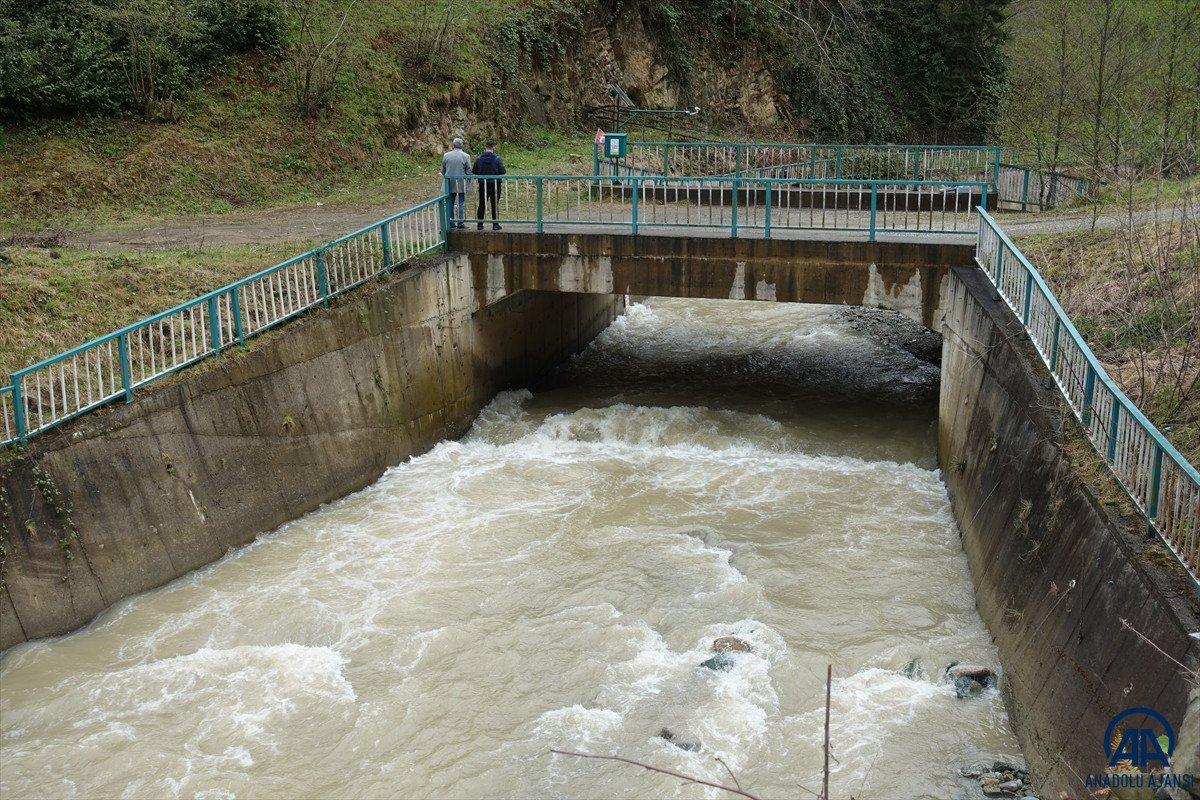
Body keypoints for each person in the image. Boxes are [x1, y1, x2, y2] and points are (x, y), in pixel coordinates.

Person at [473, 140, 506, 230]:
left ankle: (480, 225)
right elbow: (503, 171)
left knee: (482, 204)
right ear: (493, 148)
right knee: (494, 204)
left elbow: (474, 171)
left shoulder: (479, 159)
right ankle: (495, 224)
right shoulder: (497, 159)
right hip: (495, 185)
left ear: (485, 148)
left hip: (483, 184)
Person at [441, 137, 472, 229]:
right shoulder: (466, 156)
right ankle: (460, 222)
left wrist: (445, 175)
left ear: (453, 145)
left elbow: (443, 170)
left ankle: (451, 222)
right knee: (460, 203)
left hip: (449, 182)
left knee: (450, 202)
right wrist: (468, 180)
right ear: (461, 145)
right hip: (461, 182)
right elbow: (469, 170)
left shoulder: (446, 155)